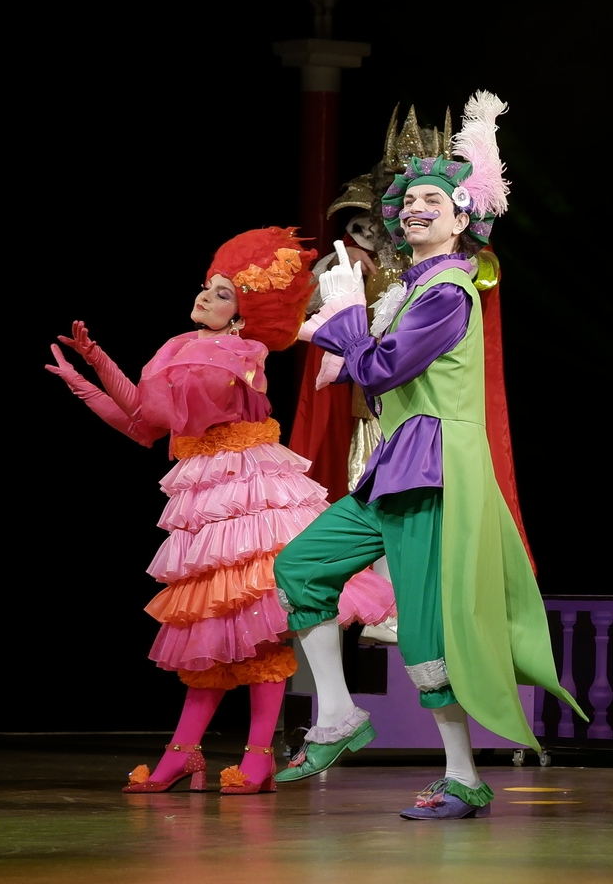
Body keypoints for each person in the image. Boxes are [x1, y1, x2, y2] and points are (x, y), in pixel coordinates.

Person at [273, 93, 586, 819]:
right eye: (408, 200)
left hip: (434, 470)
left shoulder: (448, 292)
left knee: (422, 632)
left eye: (431, 201)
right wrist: (327, 323)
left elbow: (380, 369)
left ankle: (463, 776)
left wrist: (348, 320)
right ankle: (337, 715)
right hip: (394, 469)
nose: (414, 208)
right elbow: (366, 366)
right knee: (300, 568)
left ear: (460, 218)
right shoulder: (411, 290)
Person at [46, 227, 395, 796]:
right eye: (208, 286)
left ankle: (257, 755)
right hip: (205, 492)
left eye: (224, 293)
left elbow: (175, 411)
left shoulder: (241, 352)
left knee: (261, 623)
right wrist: (89, 371)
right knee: (210, 627)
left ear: (244, 311)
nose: (207, 296)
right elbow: (144, 422)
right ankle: (185, 751)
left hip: (249, 490)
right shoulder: (182, 344)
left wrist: (113, 372)